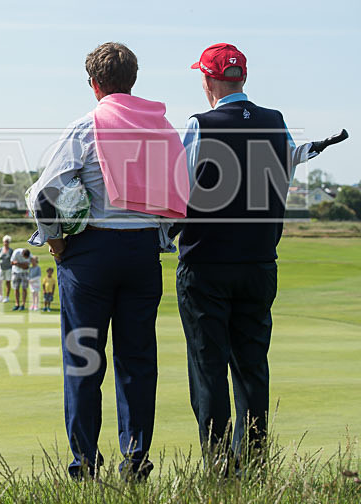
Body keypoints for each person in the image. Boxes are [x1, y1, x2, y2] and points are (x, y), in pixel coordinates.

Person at [26, 42, 188, 480]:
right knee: (137, 361)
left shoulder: (86, 126)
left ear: (94, 84)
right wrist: (161, 238)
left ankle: (85, 465)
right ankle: (134, 461)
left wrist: (56, 244)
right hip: (141, 255)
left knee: (84, 361)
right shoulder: (162, 127)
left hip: (90, 256)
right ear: (132, 80)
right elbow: (178, 196)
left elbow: (44, 195)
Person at [175, 43, 332, 469]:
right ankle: (256, 466)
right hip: (260, 263)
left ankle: (221, 468)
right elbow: (281, 178)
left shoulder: (199, 125)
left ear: (207, 80)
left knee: (209, 369)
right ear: (242, 78)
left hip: (205, 266)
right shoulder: (276, 122)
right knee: (251, 368)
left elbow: (177, 194)